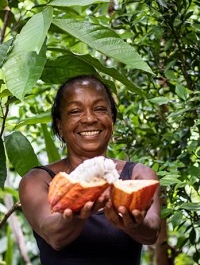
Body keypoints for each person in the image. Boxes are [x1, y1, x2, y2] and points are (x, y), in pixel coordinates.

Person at [19, 75, 161, 265]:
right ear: (60, 125)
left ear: (112, 118)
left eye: (100, 109)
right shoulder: (38, 181)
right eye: (75, 111)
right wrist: (78, 210)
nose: (89, 118)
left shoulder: (139, 175)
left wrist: (134, 224)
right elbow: (54, 235)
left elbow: (152, 232)